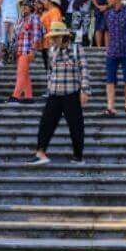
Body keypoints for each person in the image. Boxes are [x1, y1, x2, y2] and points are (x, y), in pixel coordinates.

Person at [28, 21, 91, 166]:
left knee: (76, 125)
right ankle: (40, 153)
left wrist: (85, 90)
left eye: (56, 37)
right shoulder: (51, 50)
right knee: (46, 123)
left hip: (71, 93)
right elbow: (50, 71)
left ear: (64, 36)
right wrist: (49, 86)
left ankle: (78, 156)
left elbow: (84, 70)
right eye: (52, 37)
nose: (53, 39)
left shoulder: (76, 49)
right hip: (54, 93)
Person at [12, 0, 44, 104]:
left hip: (27, 50)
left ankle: (15, 96)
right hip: (20, 50)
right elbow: (16, 35)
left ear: (31, 7)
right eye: (22, 5)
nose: (24, 8)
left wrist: (33, 51)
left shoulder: (34, 18)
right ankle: (28, 96)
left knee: (21, 73)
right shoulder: (20, 19)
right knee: (25, 74)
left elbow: (36, 36)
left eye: (26, 6)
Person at [39, 0, 64, 72]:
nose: (44, 2)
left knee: (51, 68)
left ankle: (52, 84)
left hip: (50, 44)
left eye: (45, 0)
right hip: (46, 44)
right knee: (49, 68)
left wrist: (52, 42)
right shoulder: (49, 12)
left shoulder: (55, 11)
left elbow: (55, 27)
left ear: (50, 1)